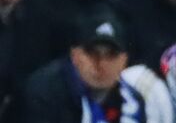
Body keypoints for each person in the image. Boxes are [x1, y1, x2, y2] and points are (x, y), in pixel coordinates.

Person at [22, 11, 166, 123]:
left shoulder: (133, 102)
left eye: (111, 55)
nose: (101, 64)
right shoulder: (44, 92)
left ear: (124, 61)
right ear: (75, 55)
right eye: (92, 53)